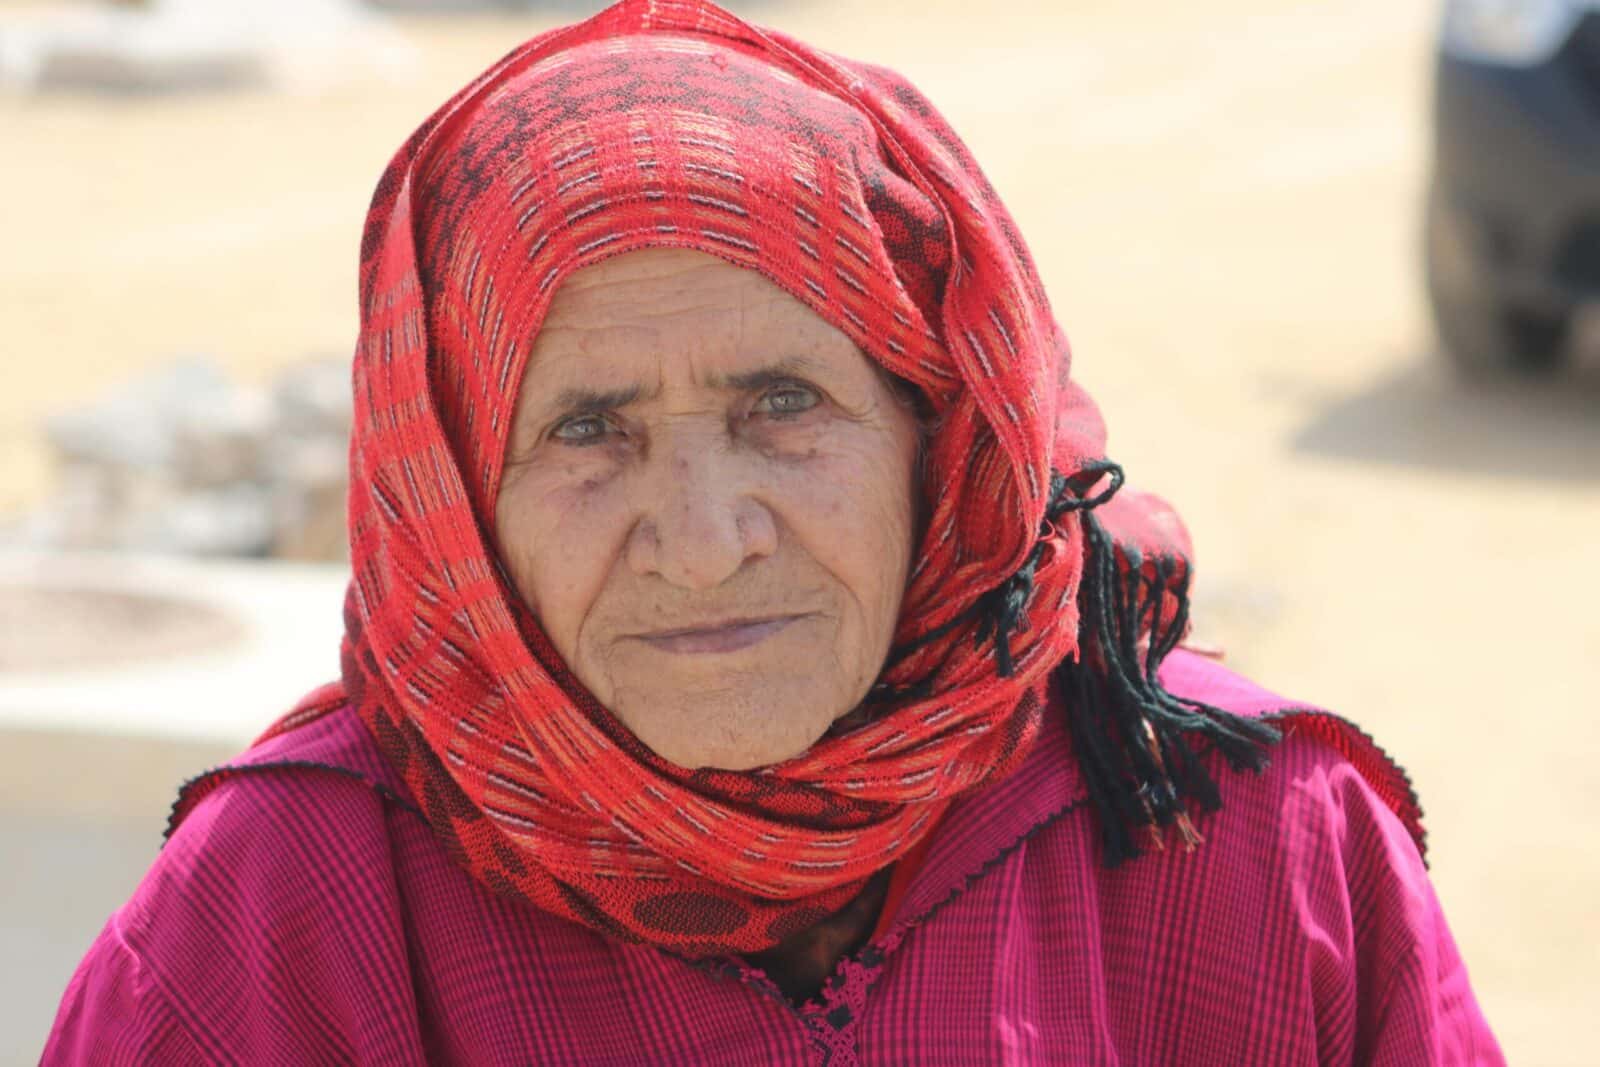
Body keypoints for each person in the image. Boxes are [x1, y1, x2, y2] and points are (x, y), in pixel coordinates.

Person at [43, 1, 1502, 1062]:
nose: (706, 536)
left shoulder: (1247, 841)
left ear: (945, 439)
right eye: (587, 430)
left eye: (785, 404)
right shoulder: (285, 913)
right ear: (458, 504)